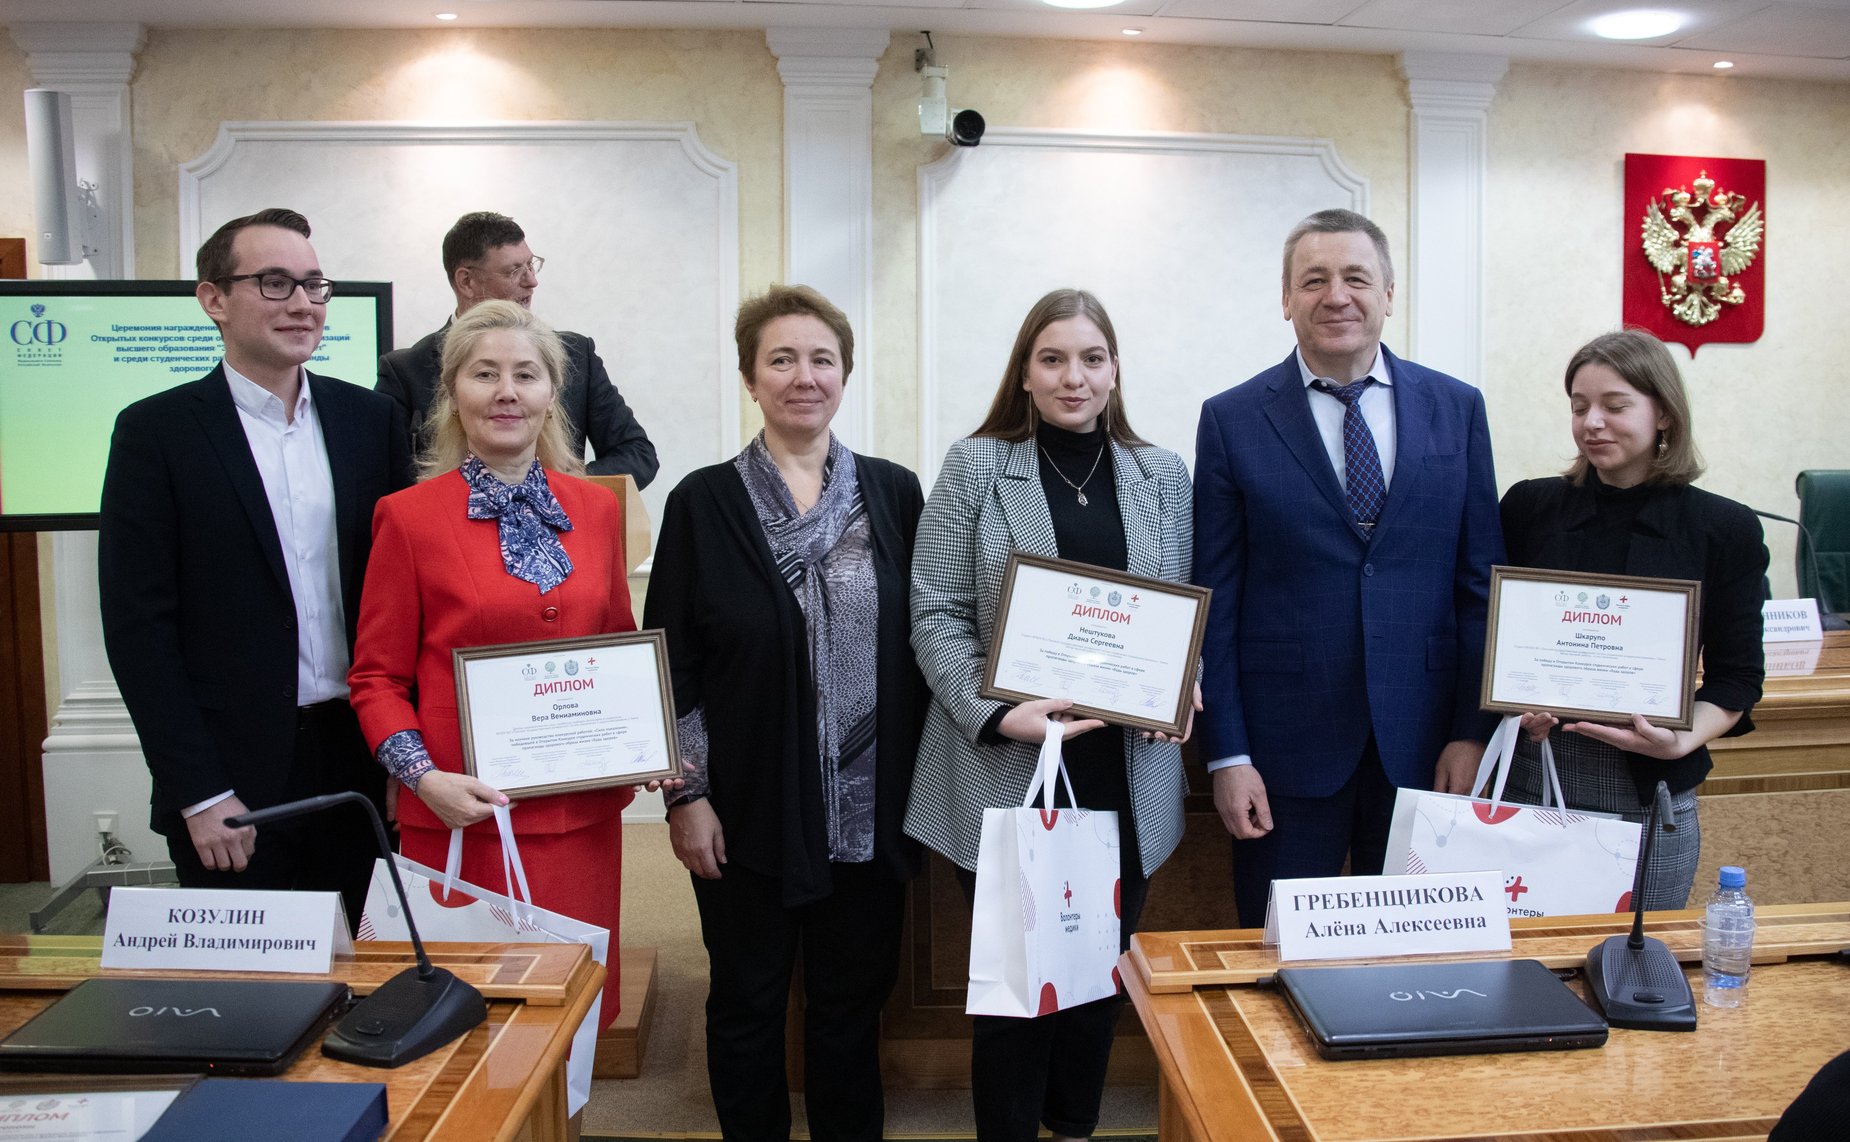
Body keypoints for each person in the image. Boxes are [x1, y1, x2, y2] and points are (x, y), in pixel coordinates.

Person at [907, 288, 1195, 1142]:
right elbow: (936, 610)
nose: (1075, 377)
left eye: (1092, 359)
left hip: (1124, 771)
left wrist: (1182, 680)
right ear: (1025, 375)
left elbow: (1178, 612)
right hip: (1009, 763)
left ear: (1115, 372)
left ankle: (1075, 1128)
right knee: (1018, 983)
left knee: (1095, 977)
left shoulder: (1160, 475)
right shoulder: (976, 466)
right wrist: (996, 716)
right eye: (1054, 359)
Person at [643, 284, 928, 1141]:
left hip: (868, 813)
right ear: (749, 378)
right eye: (781, 360)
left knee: (850, 1009)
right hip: (746, 810)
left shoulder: (894, 492)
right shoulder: (701, 502)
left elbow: (934, 631)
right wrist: (686, 797)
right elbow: (671, 662)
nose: (803, 377)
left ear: (844, 375)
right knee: (747, 1005)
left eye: (821, 359)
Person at [98, 207, 412, 929]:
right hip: (231, 777)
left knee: (373, 978)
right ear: (213, 299)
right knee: (252, 999)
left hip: (360, 754)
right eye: (275, 283)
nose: (303, 304)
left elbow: (405, 602)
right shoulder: (157, 433)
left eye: (314, 285)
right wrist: (198, 792)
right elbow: (140, 628)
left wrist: (408, 758)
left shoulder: (371, 422)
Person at [1194, 208, 1503, 929]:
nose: (1337, 296)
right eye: (1315, 280)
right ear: (1286, 298)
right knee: (1274, 959)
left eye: (1356, 277)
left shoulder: (1456, 409)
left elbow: (1479, 586)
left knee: (1416, 960)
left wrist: (1471, 731)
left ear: (1389, 293)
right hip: (1281, 756)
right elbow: (1218, 598)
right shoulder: (1232, 419)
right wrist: (1226, 754)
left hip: (1428, 749)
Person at [348, 300, 637, 1028]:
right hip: (462, 816)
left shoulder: (598, 511)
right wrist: (422, 778)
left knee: (568, 1022)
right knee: (465, 1024)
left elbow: (617, 644)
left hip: (580, 820)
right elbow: (376, 678)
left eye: (525, 374)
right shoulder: (407, 518)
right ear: (454, 393)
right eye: (485, 374)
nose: (506, 391)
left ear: (550, 395)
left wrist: (647, 741)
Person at [1501, 328, 1765, 908]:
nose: (1592, 422)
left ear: (1664, 414)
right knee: (1522, 972)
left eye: (1614, 406)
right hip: (1533, 777)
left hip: (1648, 790)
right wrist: (1512, 708)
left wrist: (1679, 741)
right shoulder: (1529, 508)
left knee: (1632, 976)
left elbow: (1738, 677)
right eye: (1578, 407)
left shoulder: (1723, 529)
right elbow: (1488, 637)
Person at [376, 210, 659, 485]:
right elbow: (387, 476)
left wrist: (554, 489)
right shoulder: (405, 370)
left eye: (531, 265)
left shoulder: (575, 354)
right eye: (514, 271)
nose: (532, 281)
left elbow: (637, 454)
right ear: (466, 281)